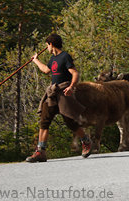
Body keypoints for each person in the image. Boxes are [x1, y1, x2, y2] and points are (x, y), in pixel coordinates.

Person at [25, 33, 91, 163]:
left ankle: (86, 141)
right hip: (53, 93)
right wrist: (35, 60)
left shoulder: (65, 56)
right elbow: (46, 70)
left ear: (50, 44)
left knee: (70, 122)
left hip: (64, 92)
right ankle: (40, 152)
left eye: (47, 45)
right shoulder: (53, 59)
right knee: (44, 121)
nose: (47, 48)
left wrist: (72, 87)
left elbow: (75, 73)